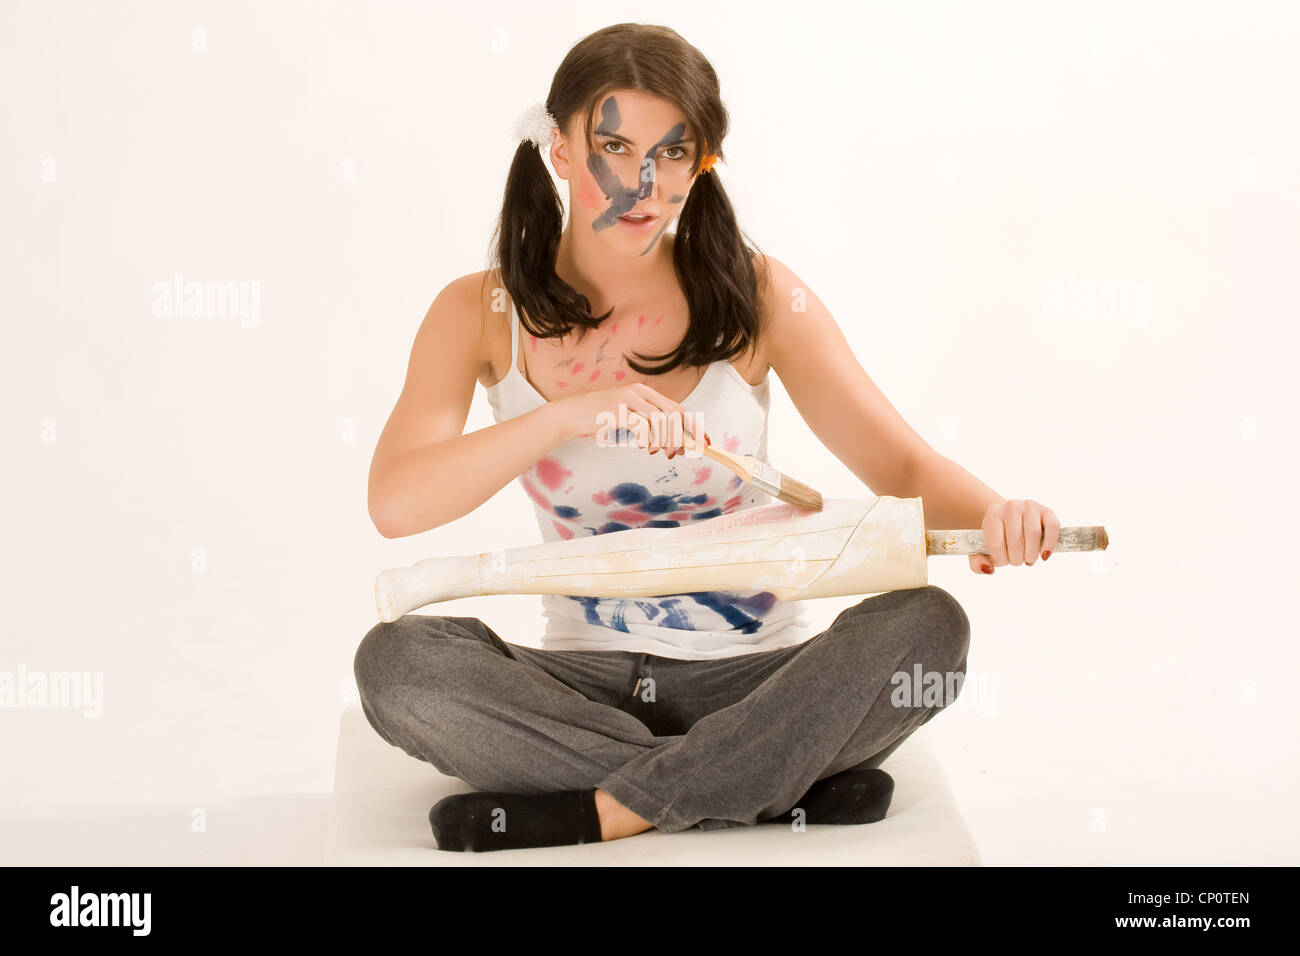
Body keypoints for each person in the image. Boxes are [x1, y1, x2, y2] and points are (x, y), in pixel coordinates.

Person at [355, 23, 1060, 853]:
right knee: (398, 667)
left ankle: (609, 808)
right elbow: (396, 504)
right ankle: (770, 779)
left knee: (928, 628)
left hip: (758, 677)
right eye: (613, 146)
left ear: (704, 163)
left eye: (674, 153)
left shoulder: (759, 296)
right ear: (559, 149)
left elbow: (899, 461)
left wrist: (998, 515)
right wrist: (569, 414)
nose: (641, 184)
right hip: (581, 680)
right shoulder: (478, 311)